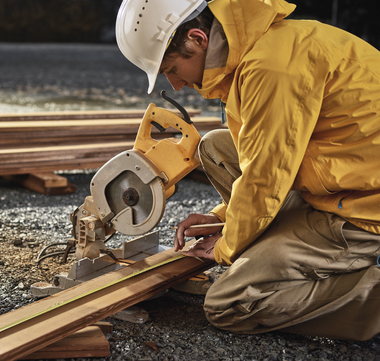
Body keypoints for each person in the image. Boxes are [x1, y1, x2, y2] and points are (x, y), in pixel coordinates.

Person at [116, 0, 380, 341]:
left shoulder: (270, 69)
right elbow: (267, 160)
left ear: (198, 39)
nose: (176, 84)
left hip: (362, 210)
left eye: (172, 68)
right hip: (340, 185)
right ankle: (271, 245)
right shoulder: (263, 52)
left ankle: (369, 295)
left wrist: (227, 245)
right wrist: (223, 218)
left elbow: (264, 179)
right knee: (214, 147)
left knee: (230, 303)